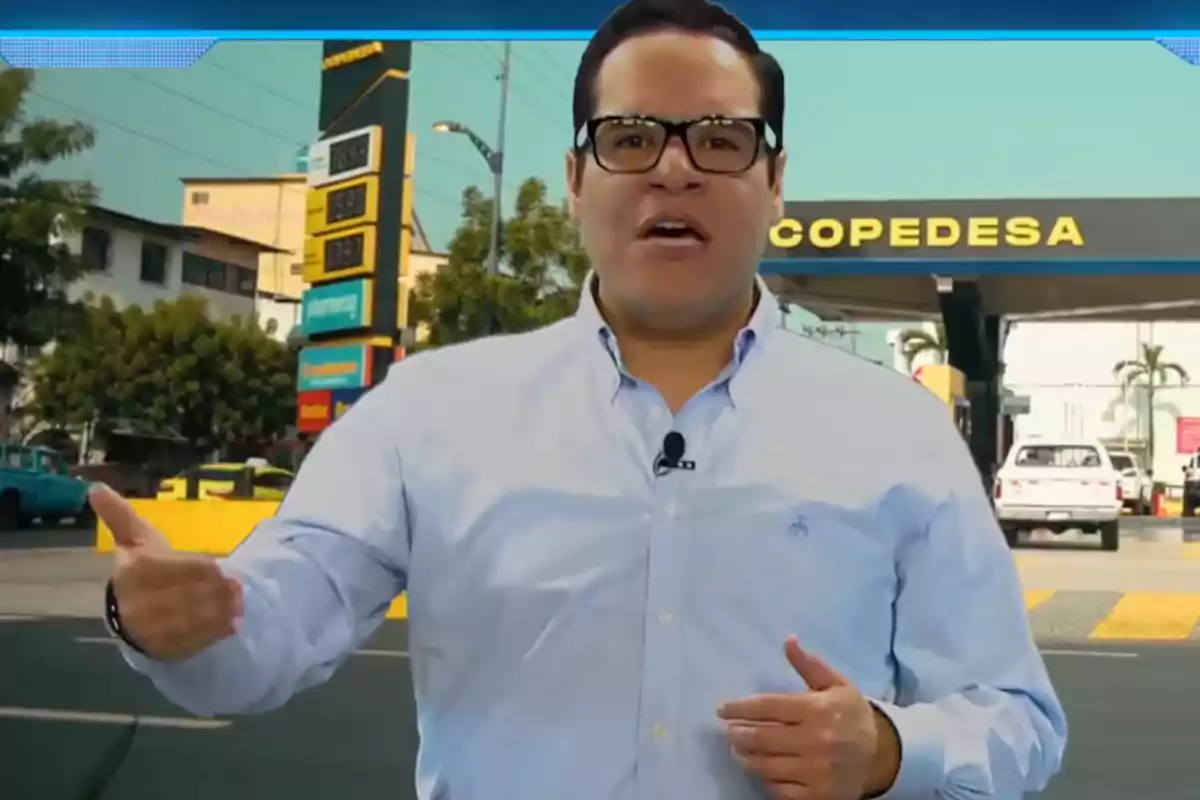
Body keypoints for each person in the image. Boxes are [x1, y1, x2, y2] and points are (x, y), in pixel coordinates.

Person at [95, 0, 1067, 797]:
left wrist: (893, 750)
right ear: (574, 178)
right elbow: (266, 630)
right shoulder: (430, 410)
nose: (675, 167)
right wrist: (175, 622)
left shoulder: (892, 426)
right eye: (632, 137)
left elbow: (1017, 719)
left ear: (775, 183)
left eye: (722, 140)